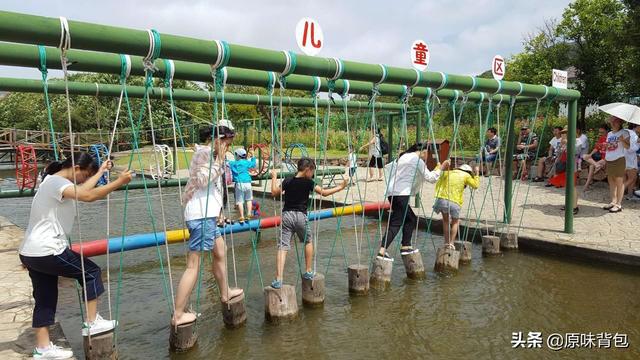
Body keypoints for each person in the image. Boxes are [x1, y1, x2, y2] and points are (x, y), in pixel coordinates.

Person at [19, 153, 132, 359]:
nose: (82, 180)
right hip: (47, 250)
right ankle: (91, 323)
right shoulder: (56, 182)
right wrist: (119, 182)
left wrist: (99, 172)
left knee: (44, 298)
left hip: (31, 252)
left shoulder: (51, 181)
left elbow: (84, 190)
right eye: (84, 175)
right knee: (91, 272)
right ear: (77, 168)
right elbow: (88, 196)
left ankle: (43, 349)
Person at [172, 124, 243, 327]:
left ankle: (224, 292)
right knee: (193, 265)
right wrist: (220, 160)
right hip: (200, 215)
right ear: (219, 140)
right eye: (227, 144)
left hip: (208, 215)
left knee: (221, 250)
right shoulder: (204, 154)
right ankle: (178, 314)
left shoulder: (210, 154)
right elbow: (203, 180)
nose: (227, 149)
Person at [270, 158, 347, 288]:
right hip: (301, 216)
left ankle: (278, 279)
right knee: (308, 241)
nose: (313, 174)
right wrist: (340, 187)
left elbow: (274, 193)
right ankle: (308, 270)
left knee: (282, 247)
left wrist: (274, 177)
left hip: (287, 215)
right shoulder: (308, 183)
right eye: (312, 171)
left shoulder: (288, 180)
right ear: (307, 170)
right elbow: (324, 193)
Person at [377, 142, 444, 260]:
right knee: (396, 223)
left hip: (392, 193)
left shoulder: (403, 157)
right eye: (427, 153)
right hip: (402, 194)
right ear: (423, 151)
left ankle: (406, 246)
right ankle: (382, 251)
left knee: (410, 219)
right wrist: (440, 168)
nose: (427, 156)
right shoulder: (417, 161)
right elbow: (431, 178)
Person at [433, 162, 480, 248]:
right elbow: (475, 185)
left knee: (446, 221)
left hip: (442, 199)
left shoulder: (449, 172)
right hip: (455, 202)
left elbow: (436, 173)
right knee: (455, 222)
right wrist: (477, 173)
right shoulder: (467, 175)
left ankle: (446, 243)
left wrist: (439, 165)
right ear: (469, 171)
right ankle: (451, 243)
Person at [548, 126, 581, 214]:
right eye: (563, 132)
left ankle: (575, 206)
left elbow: (576, 152)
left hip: (572, 166)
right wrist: (562, 144)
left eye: (566, 132)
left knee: (572, 186)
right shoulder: (562, 141)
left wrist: (568, 143)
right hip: (563, 165)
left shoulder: (577, 141)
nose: (564, 134)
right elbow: (558, 153)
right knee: (567, 186)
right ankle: (568, 204)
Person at [603, 116, 630, 213]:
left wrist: (622, 140)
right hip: (609, 158)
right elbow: (609, 146)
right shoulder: (609, 133)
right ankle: (613, 201)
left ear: (620, 122)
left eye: (616, 121)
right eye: (612, 121)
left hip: (619, 159)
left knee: (619, 181)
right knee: (611, 181)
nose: (613, 123)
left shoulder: (625, 132)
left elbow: (628, 147)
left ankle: (618, 204)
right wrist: (606, 146)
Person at [227, 147, 256, 223]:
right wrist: (253, 155)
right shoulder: (246, 162)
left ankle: (242, 216)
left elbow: (225, 163)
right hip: (248, 183)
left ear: (237, 155)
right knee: (249, 199)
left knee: (240, 201)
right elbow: (253, 164)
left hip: (239, 183)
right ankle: (249, 214)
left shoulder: (233, 163)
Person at [582, 125, 609, 191]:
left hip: (607, 159)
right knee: (584, 156)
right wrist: (590, 154)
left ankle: (586, 186)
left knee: (591, 166)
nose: (600, 134)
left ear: (606, 131)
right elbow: (596, 148)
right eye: (600, 132)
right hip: (601, 160)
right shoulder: (601, 138)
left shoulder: (610, 138)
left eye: (602, 132)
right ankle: (596, 165)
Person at [623, 124, 639, 200]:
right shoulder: (634, 136)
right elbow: (632, 149)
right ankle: (618, 193)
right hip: (630, 159)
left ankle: (629, 196)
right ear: (637, 126)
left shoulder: (625, 131)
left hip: (621, 158)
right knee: (632, 178)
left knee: (625, 177)